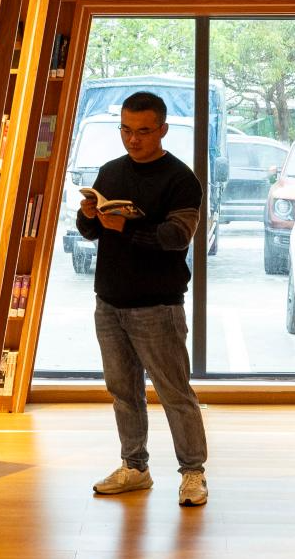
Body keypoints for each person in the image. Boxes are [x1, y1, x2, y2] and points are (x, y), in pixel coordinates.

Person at [76, 91, 209, 507]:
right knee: (122, 391)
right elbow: (90, 233)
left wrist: (125, 228)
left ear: (163, 130)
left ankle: (193, 473)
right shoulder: (110, 171)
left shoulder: (181, 179)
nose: (133, 139)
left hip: (158, 305)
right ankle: (134, 467)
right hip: (108, 301)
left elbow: (177, 237)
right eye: (126, 130)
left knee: (175, 393)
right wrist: (89, 215)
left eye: (144, 131)